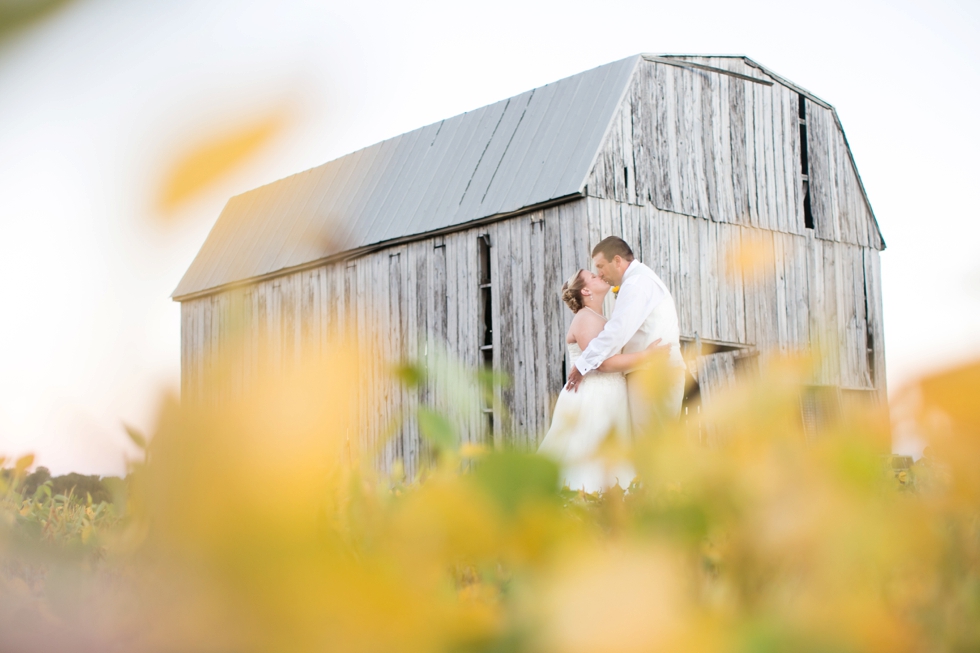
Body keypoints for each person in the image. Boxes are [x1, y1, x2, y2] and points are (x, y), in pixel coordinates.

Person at [536, 269, 665, 492]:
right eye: (593, 276)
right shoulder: (585, 317)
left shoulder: (600, 318)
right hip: (593, 395)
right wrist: (646, 356)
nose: (599, 275)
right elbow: (602, 363)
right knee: (590, 456)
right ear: (585, 290)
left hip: (610, 393)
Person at [565, 237, 685, 435]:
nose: (600, 274)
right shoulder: (639, 280)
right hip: (649, 372)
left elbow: (617, 332)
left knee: (653, 444)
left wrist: (582, 364)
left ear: (618, 261)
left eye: (601, 266)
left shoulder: (636, 284)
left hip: (653, 373)